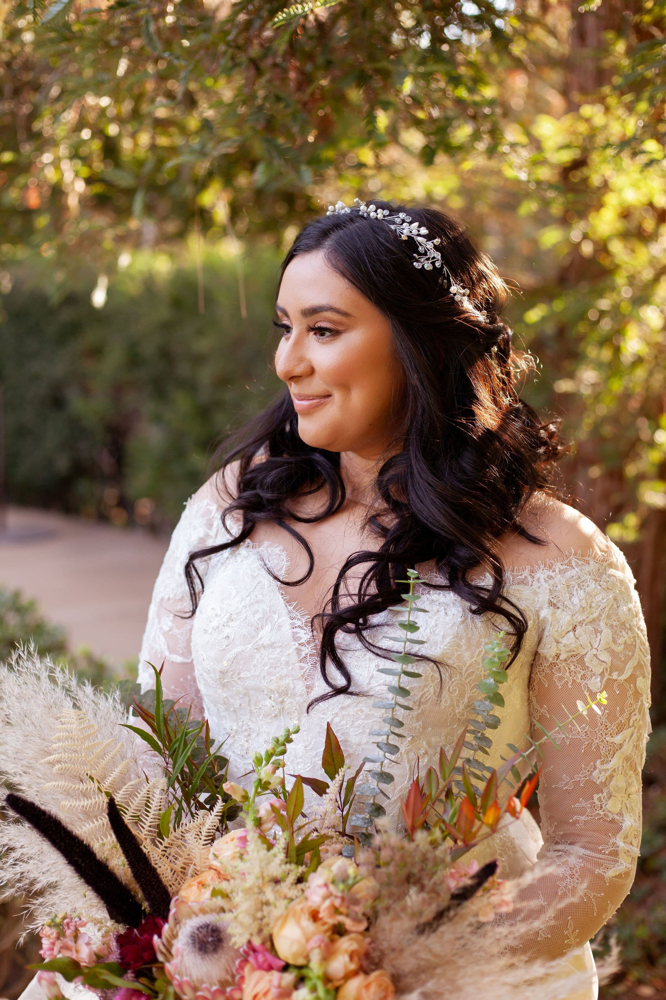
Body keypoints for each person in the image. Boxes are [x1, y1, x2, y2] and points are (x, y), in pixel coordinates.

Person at [138, 199, 651, 999]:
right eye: (285, 327)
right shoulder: (227, 510)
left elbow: (593, 851)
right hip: (221, 966)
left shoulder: (561, 561)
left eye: (326, 329)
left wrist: (394, 966)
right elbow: (157, 763)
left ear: (418, 346)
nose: (288, 362)